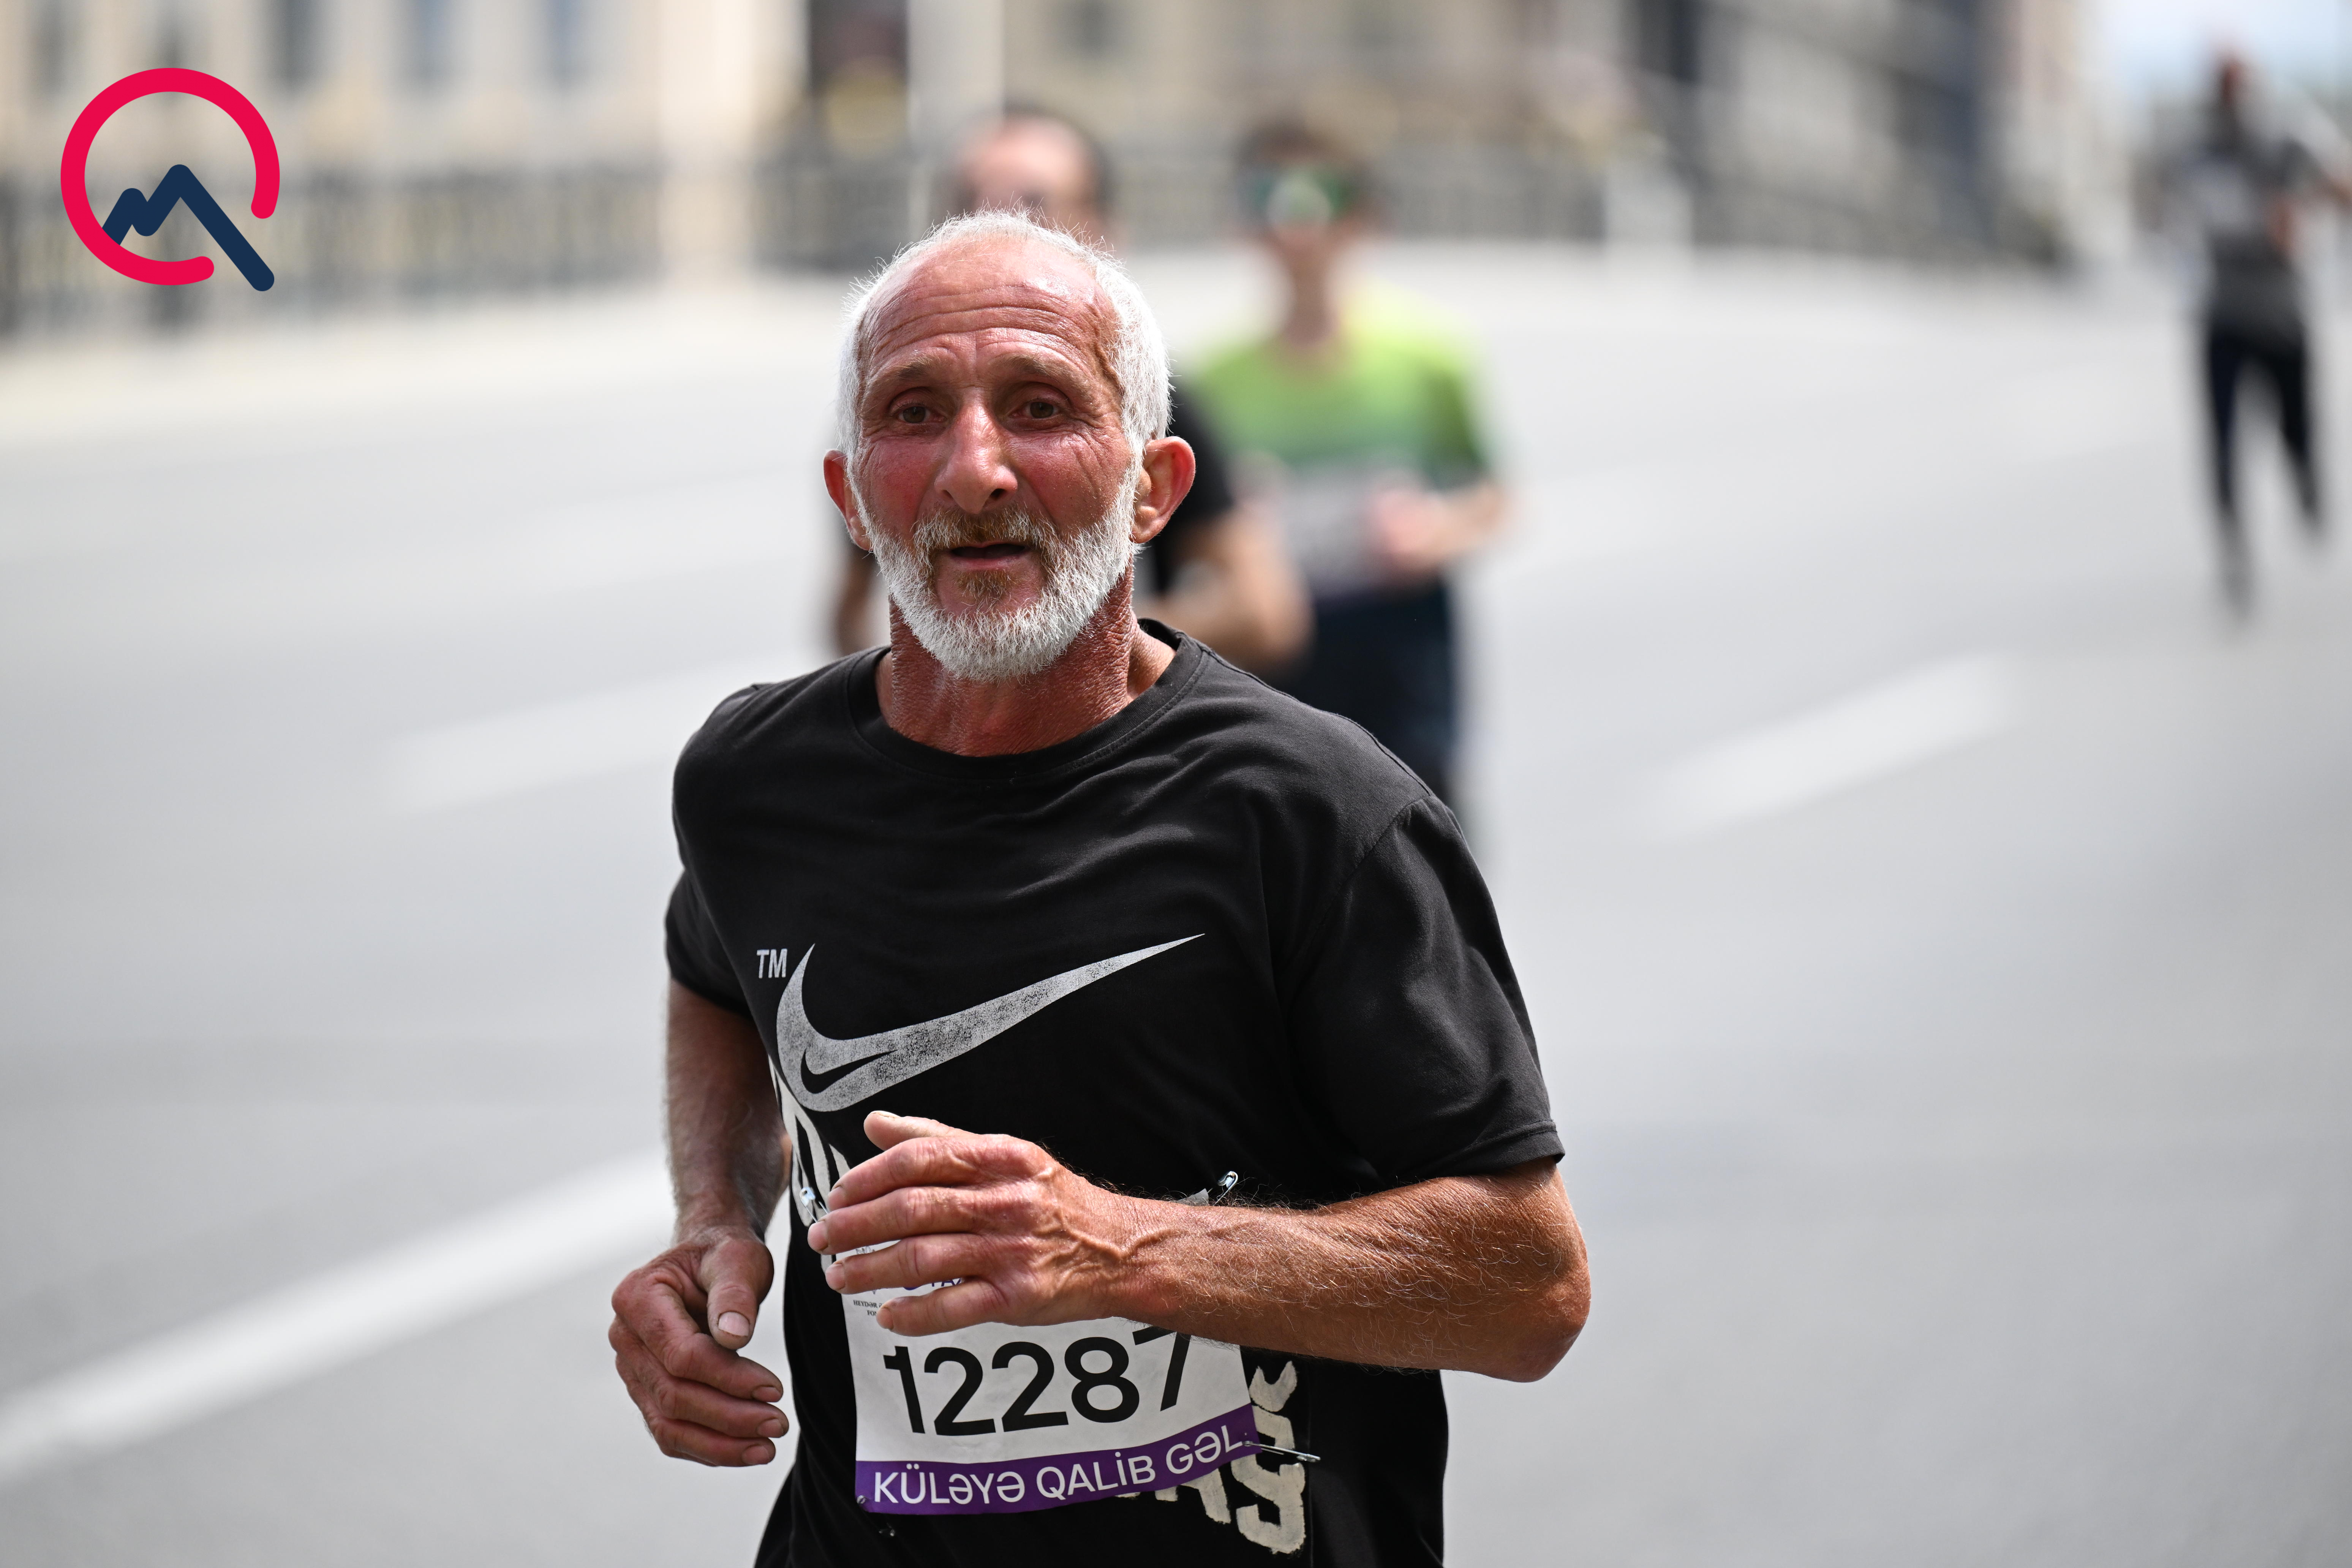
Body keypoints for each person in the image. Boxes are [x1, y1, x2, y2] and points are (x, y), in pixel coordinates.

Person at [610, 210, 1588, 1567]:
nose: (976, 470)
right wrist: (714, 1222)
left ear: (1154, 488)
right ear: (850, 495)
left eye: (1040, 406)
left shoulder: (1318, 814)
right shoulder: (754, 779)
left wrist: (1116, 1248)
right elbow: (716, 978)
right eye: (914, 412)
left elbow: (1529, 1287)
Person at [830, 107, 1309, 672]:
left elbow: (1264, 610)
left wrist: (1064, 632)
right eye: (968, 205)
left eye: (1041, 410)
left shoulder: (1152, 401)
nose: (974, 471)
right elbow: (849, 618)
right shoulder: (882, 412)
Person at [1192, 123, 1506, 807]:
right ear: (1243, 224)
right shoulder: (1212, 384)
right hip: (1274, 678)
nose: (1296, 227)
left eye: (1322, 198)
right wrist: (1238, 531)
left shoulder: (1430, 357)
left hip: (1404, 670)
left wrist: (1434, 530)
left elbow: (1493, 497)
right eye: (1268, 199)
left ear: (1364, 219)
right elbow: (1186, 543)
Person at [2167, 52, 2352, 612]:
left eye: (2237, 89)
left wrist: (2298, 206)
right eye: (2221, 91)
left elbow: (2342, 185)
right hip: (2224, 315)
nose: (2230, 103)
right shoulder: (2198, 152)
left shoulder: (2288, 139)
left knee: (2296, 429)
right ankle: (2234, 555)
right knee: (2222, 443)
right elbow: (2178, 219)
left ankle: (2307, 484)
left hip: (2281, 315)